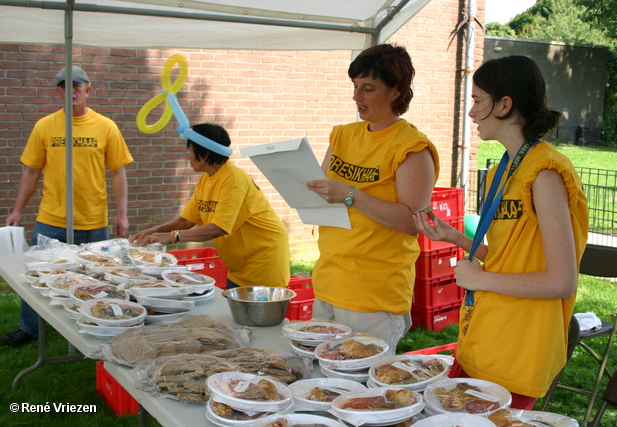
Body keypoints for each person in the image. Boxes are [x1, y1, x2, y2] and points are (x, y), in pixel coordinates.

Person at [414, 56, 589, 409]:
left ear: (505, 105)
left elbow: (561, 281)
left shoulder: (545, 174)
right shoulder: (503, 171)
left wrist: (479, 281)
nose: (472, 112)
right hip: (484, 337)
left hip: (519, 347)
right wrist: (459, 239)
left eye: (478, 100)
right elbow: (510, 259)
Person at [306, 44, 440, 355]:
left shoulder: (412, 148)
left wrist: (351, 195)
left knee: (363, 390)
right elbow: (327, 193)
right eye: (355, 86)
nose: (357, 97)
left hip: (374, 293)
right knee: (321, 378)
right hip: (329, 280)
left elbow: (412, 222)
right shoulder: (342, 135)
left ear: (396, 91)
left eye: (368, 88)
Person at [2, 65, 133, 347]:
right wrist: (17, 210)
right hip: (52, 218)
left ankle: (92, 323)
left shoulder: (106, 126)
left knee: (95, 276)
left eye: (77, 85)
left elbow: (118, 171)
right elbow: (31, 171)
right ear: (58, 91)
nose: (71, 90)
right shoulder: (45, 126)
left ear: (88, 89)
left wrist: (121, 215)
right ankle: (30, 328)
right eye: (65, 86)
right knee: (38, 273)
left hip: (94, 220)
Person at [129, 123, 290, 290]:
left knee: (258, 315)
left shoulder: (233, 180)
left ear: (204, 153)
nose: (188, 157)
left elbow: (219, 228)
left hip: (264, 261)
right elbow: (186, 221)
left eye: (190, 151)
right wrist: (154, 231)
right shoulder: (206, 179)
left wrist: (172, 237)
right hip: (240, 265)